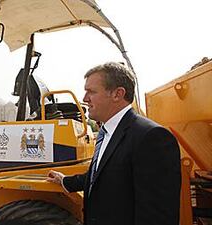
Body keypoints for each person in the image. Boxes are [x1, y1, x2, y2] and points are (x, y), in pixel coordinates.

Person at [47, 62, 181, 225]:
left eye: (91, 91)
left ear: (117, 94)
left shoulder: (151, 137)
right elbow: (101, 175)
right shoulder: (105, 133)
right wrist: (65, 181)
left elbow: (157, 215)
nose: (84, 99)